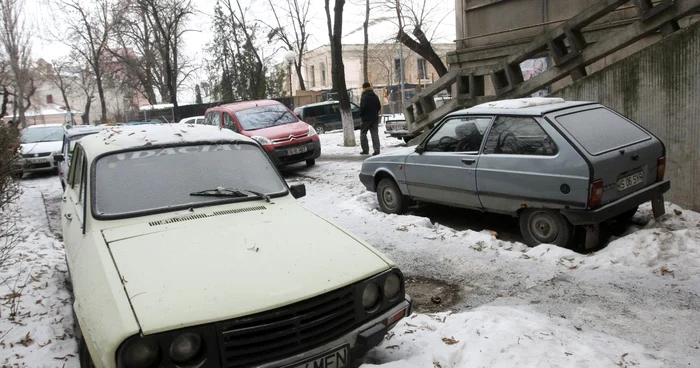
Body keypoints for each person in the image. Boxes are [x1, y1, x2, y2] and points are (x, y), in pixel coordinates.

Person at [359, 82, 382, 155]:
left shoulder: (364, 96)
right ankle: (377, 150)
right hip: (374, 118)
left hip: (366, 119)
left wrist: (361, 114)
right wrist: (374, 112)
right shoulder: (375, 95)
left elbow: (363, 107)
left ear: (364, 88)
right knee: (375, 134)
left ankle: (365, 150)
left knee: (363, 134)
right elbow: (379, 106)